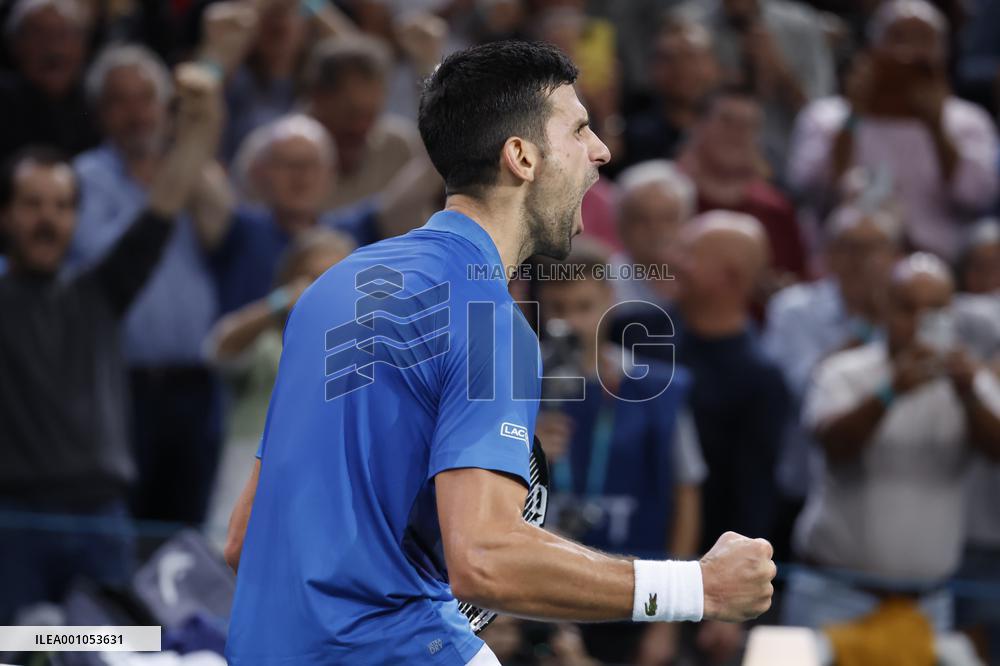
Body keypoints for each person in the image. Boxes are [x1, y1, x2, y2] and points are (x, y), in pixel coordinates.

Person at [224, 41, 775, 666]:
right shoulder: (491, 320)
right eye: (579, 129)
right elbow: (484, 558)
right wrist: (695, 588)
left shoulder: (333, 289)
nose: (602, 151)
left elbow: (244, 540)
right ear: (522, 157)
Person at [0, 64, 222, 623]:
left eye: (61, 206)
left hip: (102, 517)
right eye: (32, 204)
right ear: (5, 215)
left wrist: (196, 117)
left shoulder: (98, 292)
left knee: (112, 655)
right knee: (23, 652)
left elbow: (165, 204)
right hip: (17, 519)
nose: (48, 220)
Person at [785, 253, 1000, 632]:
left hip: (926, 605)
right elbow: (834, 445)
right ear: (885, 309)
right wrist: (890, 392)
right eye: (907, 308)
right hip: (834, 596)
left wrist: (968, 396)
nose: (919, 322)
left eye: (934, 309)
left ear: (952, 312)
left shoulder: (970, 384)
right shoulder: (843, 371)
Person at [533, 240, 707, 666]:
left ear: (609, 302)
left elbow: (686, 500)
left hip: (634, 597)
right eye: (556, 307)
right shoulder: (508, 388)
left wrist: (668, 619)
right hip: (538, 603)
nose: (569, 321)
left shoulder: (656, 388)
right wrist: (521, 449)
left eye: (583, 306)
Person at [787, 0, 999, 262]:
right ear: (872, 47)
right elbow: (811, 188)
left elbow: (976, 197)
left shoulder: (969, 120)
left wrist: (935, 125)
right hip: (848, 264)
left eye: (923, 40)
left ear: (943, 54)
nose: (908, 53)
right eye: (897, 38)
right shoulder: (827, 116)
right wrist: (854, 116)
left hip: (939, 267)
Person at [203, 228, 354, 547]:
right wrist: (282, 300)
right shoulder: (268, 345)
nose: (322, 287)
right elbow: (219, 347)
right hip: (245, 508)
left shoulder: (362, 354)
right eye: (311, 277)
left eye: (334, 276)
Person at [674, 0, 835, 178]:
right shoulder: (691, 23)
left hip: (787, 164)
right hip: (708, 163)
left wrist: (780, 72)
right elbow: (678, 106)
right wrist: (721, 77)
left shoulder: (800, 25)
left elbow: (822, 118)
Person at [678, 85, 807, 288]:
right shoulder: (662, 202)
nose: (736, 134)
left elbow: (796, 284)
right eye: (726, 121)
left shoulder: (775, 210)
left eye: (748, 125)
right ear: (698, 125)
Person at [0, 0, 100, 157]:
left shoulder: (100, 102)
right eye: (40, 35)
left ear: (83, 46)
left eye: (63, 35)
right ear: (15, 44)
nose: (54, 49)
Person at [622, 18, 721, 169]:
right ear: (651, 69)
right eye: (669, 59)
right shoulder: (631, 131)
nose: (682, 69)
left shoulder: (736, 124)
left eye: (691, 57)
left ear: (714, 66)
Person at [610, 159, 696, 306]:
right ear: (621, 226)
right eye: (641, 219)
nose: (656, 229)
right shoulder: (604, 283)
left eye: (668, 218)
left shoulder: (703, 278)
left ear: (687, 222)